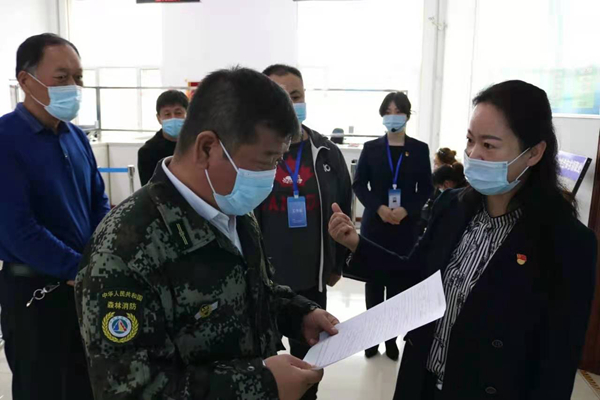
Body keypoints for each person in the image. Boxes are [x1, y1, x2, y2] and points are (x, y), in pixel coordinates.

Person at [76, 67, 340, 400]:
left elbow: (252, 290)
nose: (272, 176)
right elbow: (130, 392)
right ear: (207, 148)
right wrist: (262, 384)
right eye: (266, 161)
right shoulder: (124, 249)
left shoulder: (233, 209)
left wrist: (298, 313)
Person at [329, 80, 597, 400]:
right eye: (470, 140)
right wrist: (356, 243)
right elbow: (414, 274)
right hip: (422, 383)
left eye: (489, 145)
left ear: (534, 153)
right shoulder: (452, 207)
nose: (473, 154)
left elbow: (557, 362)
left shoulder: (568, 242)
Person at [0, 33, 110, 400]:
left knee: (86, 385)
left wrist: (102, 259)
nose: (73, 87)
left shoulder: (76, 137)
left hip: (83, 290)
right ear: (26, 80)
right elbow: (18, 230)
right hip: (35, 295)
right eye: (62, 78)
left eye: (78, 78)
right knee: (43, 389)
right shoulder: (6, 139)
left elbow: (99, 203)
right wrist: (79, 269)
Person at [256, 64, 352, 400]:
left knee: (308, 370)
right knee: (267, 372)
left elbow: (343, 211)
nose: (289, 104)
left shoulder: (326, 152)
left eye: (295, 95)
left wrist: (337, 264)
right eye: (279, 97)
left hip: (312, 279)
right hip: (263, 282)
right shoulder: (251, 154)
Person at [352, 91, 433, 360]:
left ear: (407, 115)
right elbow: (359, 184)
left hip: (405, 226)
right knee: (374, 284)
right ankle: (372, 338)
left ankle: (391, 339)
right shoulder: (371, 148)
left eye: (397, 111)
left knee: (398, 284)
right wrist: (379, 208)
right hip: (376, 226)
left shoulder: (419, 149)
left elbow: (426, 188)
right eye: (388, 112)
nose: (392, 116)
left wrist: (406, 209)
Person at [138, 90, 189, 186]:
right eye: (167, 114)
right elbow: (149, 190)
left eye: (178, 113)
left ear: (188, 114)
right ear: (159, 118)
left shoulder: (198, 146)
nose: (173, 118)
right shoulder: (147, 152)